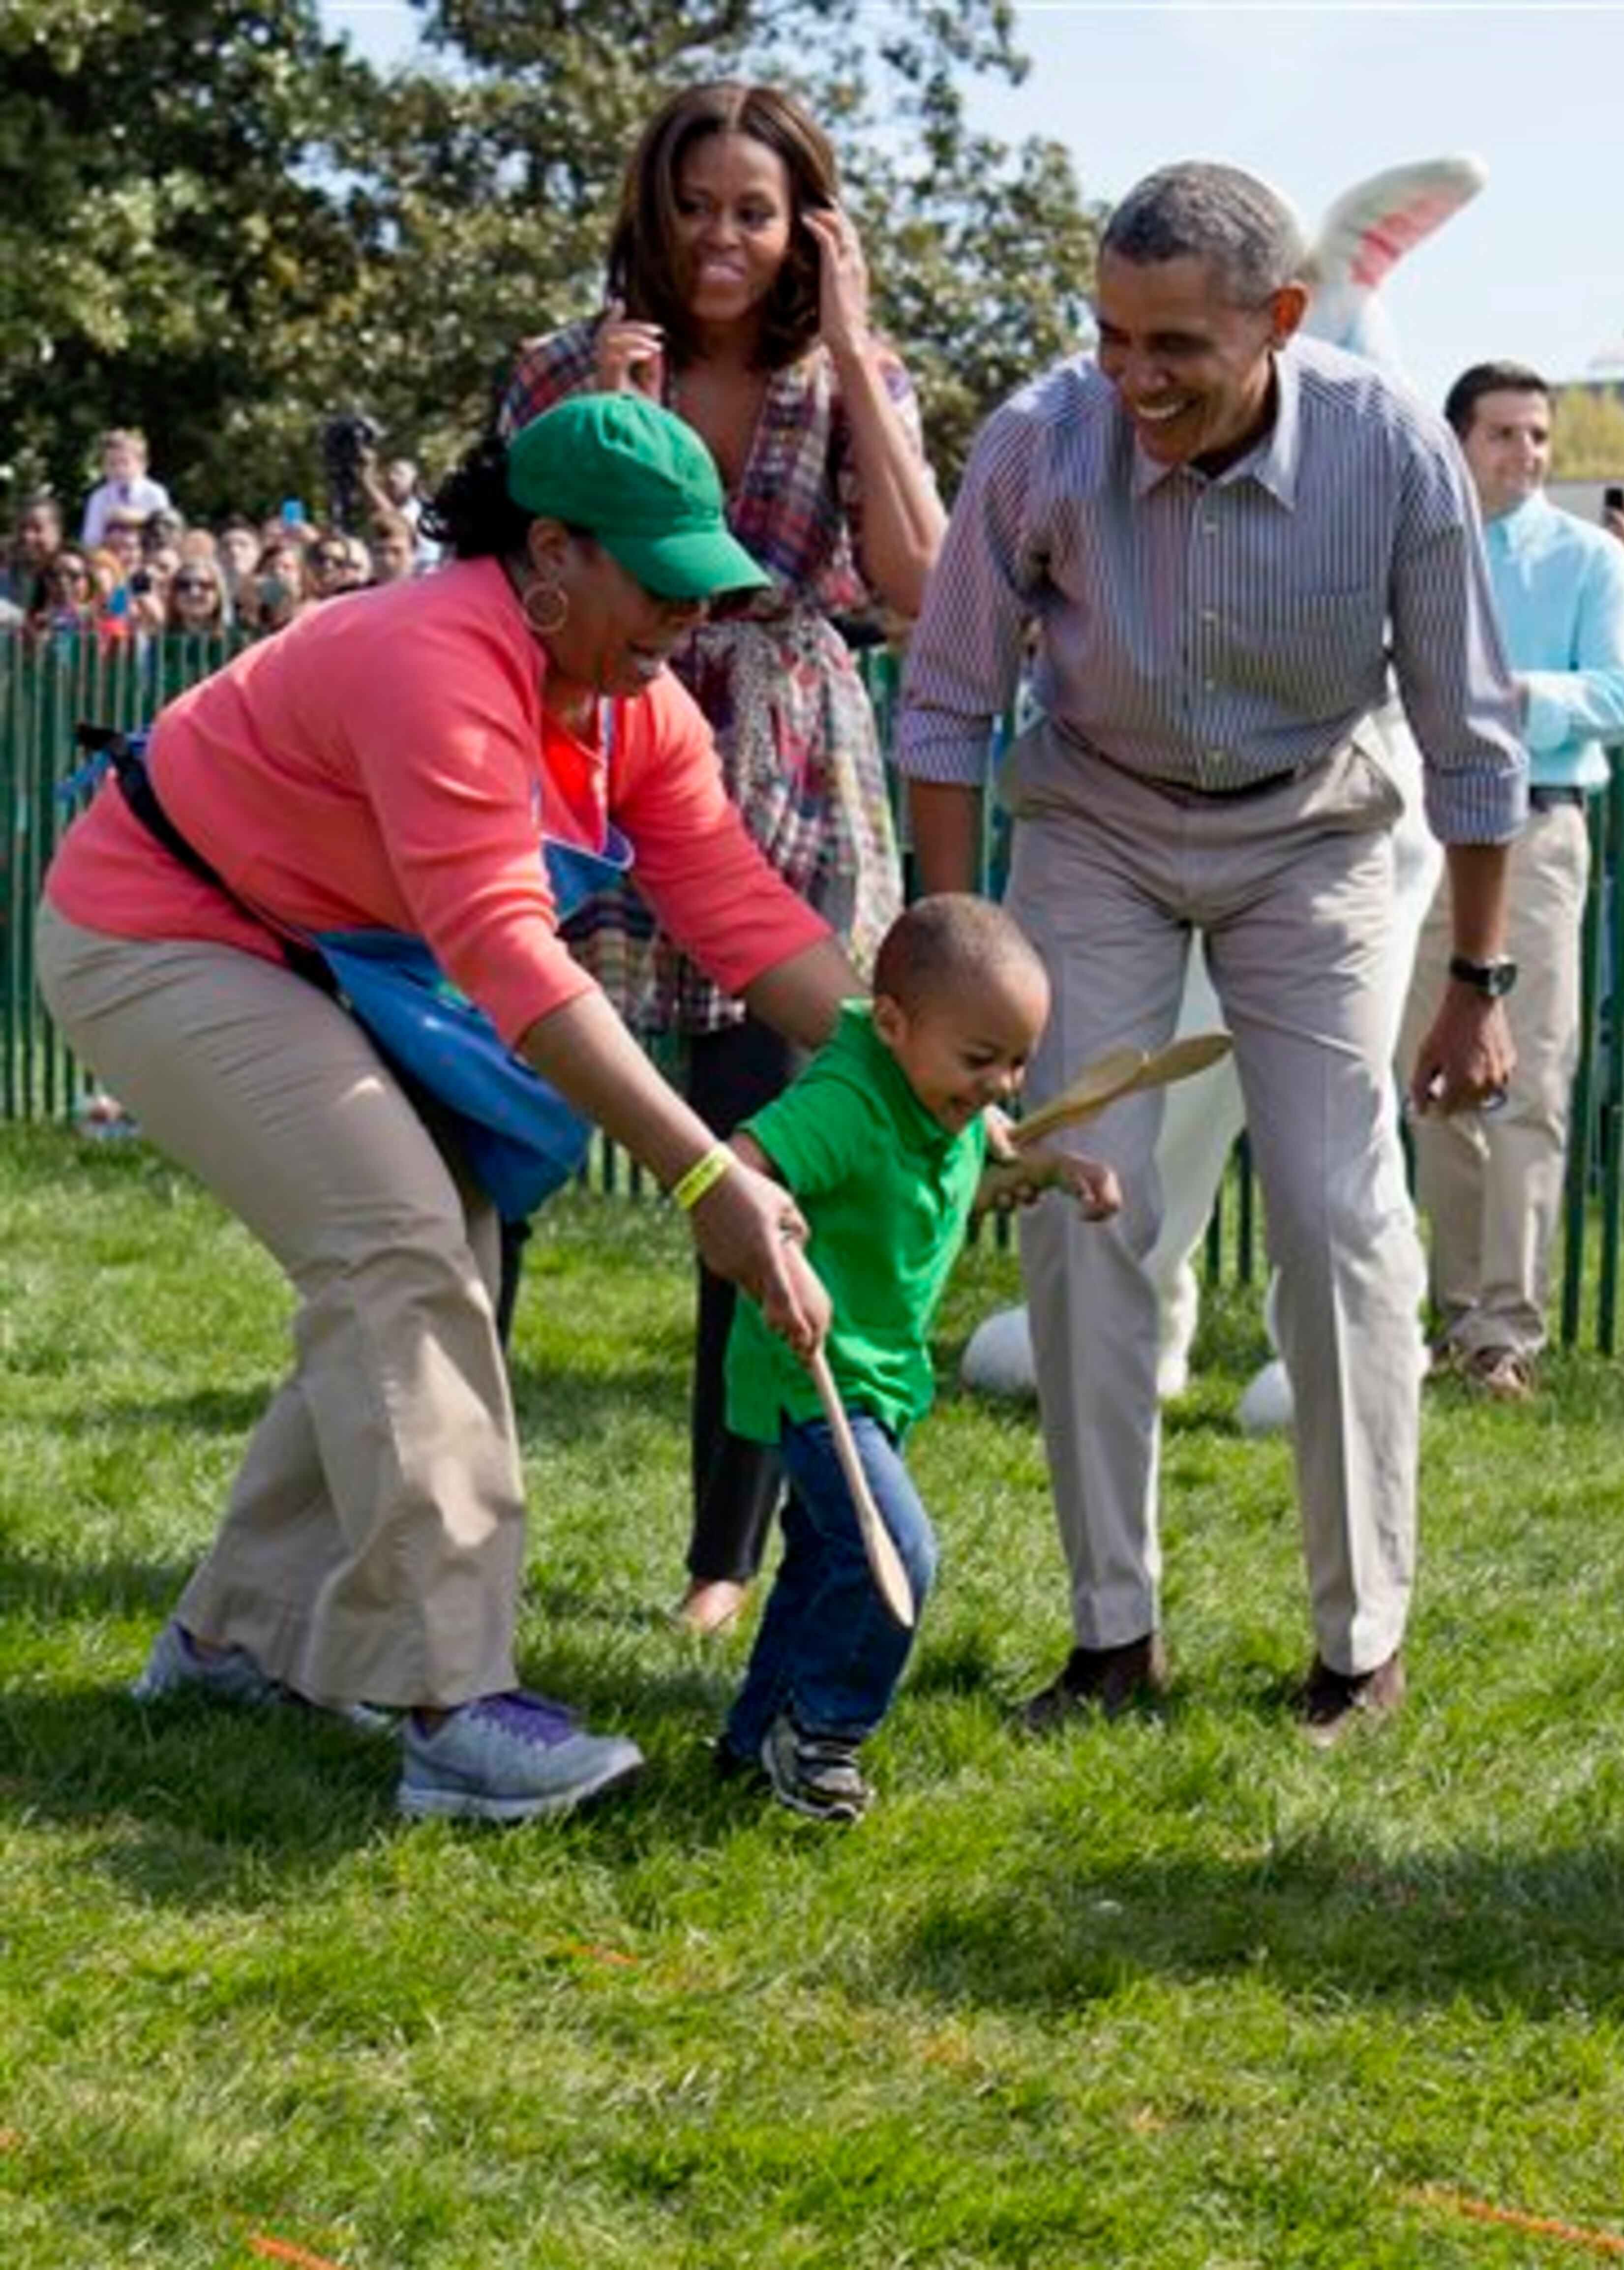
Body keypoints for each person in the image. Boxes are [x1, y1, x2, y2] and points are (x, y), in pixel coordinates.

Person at [36, 392, 865, 1824]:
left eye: (697, 579)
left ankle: (235, 1641)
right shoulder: (435, 655)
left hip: (302, 951)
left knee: (430, 1254)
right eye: (657, 578)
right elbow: (505, 954)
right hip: (156, 930)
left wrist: (911, 1074)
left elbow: (732, 903)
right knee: (402, 1248)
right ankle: (453, 1702)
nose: (684, 613)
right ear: (551, 552)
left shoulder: (633, 704)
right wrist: (699, 1177)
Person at [895, 161, 1526, 1741]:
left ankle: (1356, 1640)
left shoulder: (1389, 452)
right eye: (1111, 335)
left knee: (1332, 1211)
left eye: (1174, 343)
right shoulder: (1041, 440)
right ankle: (1113, 1633)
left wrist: (1476, 980)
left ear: (1282, 320)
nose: (1135, 378)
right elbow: (948, 700)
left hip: (1310, 829)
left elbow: (1468, 734)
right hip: (1095, 818)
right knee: (1084, 1189)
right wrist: (964, 953)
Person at [497, 79, 945, 1639]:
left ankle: (724, 1552)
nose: (719, 237)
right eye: (695, 203)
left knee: (770, 1149)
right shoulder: (563, 362)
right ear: (651, 205)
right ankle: (456, 1506)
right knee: (514, 1120)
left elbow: (917, 585)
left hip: (794, 762)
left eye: (754, 209)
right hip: (600, 742)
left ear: (804, 224)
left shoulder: (846, 377)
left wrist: (864, 352)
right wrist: (596, 430)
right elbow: (493, 569)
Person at [715, 896, 1119, 1820]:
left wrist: (1054, 1171)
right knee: (896, 1551)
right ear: (891, 1024)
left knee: (823, 1562)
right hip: (817, 1371)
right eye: (981, 1062)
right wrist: (779, 1259)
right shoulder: (848, 1100)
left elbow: (947, 1187)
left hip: (880, 1373)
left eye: (1017, 1062)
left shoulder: (934, 1097)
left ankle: (750, 1744)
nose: (1002, 1086)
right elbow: (742, 1163)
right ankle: (824, 1736)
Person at [1399, 363, 1624, 1402]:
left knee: (1528, 1083)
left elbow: (1623, 696)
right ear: (1459, 441)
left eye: (1538, 434)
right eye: (1503, 433)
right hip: (1419, 830)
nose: (1526, 452)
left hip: (1540, 828)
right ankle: (1459, 1320)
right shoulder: (1420, 544)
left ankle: (1509, 1333)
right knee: (1429, 1080)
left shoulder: (1589, 557)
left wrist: (1511, 697)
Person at [79, 428, 173, 548]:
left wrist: (137, 518)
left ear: (143, 465)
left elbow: (165, 532)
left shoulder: (156, 493)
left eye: (125, 463)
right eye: (111, 464)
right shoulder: (99, 497)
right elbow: (90, 541)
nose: (118, 470)